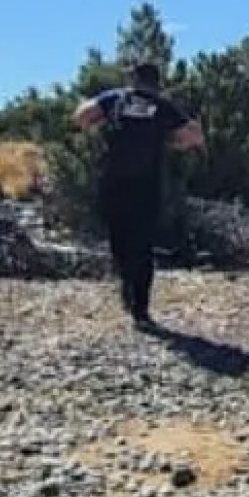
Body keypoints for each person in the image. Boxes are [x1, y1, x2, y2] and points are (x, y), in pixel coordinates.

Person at [74, 62, 205, 330]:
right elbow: (194, 136)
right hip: (147, 184)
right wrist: (173, 143)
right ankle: (141, 309)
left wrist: (98, 126)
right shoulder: (162, 106)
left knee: (118, 239)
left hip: (114, 181)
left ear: (132, 79)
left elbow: (82, 117)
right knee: (143, 244)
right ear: (156, 82)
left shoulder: (115, 99)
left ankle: (126, 282)